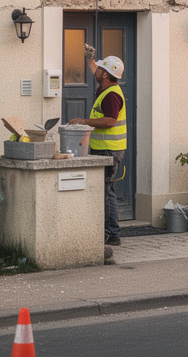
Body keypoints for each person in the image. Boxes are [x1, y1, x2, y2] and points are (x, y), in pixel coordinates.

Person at [70, 46, 127, 245]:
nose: (97, 70)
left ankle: (113, 234)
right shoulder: (105, 85)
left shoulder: (112, 95)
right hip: (104, 149)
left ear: (107, 75)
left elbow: (110, 121)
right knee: (104, 189)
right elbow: (96, 70)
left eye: (101, 69)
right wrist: (90, 59)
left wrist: (84, 122)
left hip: (109, 150)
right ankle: (108, 232)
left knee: (106, 191)